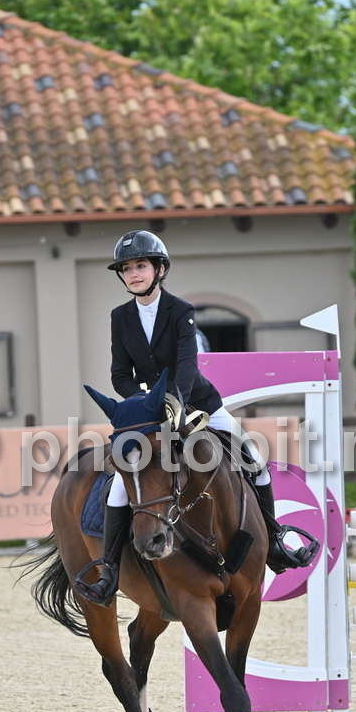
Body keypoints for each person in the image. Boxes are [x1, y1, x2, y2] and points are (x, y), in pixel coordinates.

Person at [88, 229, 306, 604]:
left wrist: (174, 401)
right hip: (149, 413)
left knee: (254, 461)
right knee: (124, 484)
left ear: (159, 269)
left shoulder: (180, 311)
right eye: (126, 269)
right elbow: (119, 374)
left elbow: (188, 366)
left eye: (140, 266)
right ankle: (109, 569)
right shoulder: (120, 317)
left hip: (199, 403)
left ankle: (273, 541)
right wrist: (143, 401)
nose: (133, 274)